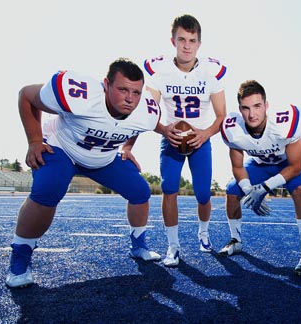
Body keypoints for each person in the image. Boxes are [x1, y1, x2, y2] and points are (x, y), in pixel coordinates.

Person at [5, 58, 162, 288]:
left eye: (136, 92)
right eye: (123, 89)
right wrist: (34, 140)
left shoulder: (145, 111)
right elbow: (26, 95)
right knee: (48, 189)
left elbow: (138, 125)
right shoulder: (82, 95)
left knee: (140, 191)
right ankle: (20, 258)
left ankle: (138, 245)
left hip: (102, 157)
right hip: (62, 148)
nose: (130, 98)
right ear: (106, 84)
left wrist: (127, 148)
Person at [124, 14, 227, 267]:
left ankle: (203, 234)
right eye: (182, 39)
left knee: (203, 194)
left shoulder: (211, 72)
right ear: (173, 40)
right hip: (171, 140)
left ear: (199, 44)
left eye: (192, 40)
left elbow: (222, 115)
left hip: (200, 140)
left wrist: (204, 134)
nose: (187, 45)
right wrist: (163, 130)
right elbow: (147, 111)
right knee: (169, 189)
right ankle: (173, 247)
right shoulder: (160, 71)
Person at [219, 80, 301, 276]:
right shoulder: (232, 129)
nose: (252, 114)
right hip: (259, 165)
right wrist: (249, 191)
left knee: (300, 190)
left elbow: (296, 166)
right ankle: (236, 240)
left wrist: (263, 189)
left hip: (285, 165)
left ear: (266, 105)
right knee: (231, 191)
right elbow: (237, 167)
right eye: (245, 108)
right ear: (239, 109)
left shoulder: (285, 123)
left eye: (257, 106)